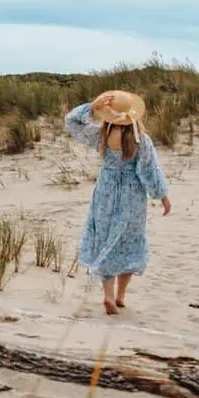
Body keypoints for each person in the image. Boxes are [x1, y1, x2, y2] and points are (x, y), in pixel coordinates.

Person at [64, 90, 172, 315]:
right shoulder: (140, 140)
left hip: (105, 191)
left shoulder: (100, 135)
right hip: (131, 195)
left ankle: (109, 296)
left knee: (105, 239)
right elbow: (150, 171)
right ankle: (121, 296)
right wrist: (162, 196)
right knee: (129, 242)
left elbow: (71, 122)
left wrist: (91, 106)